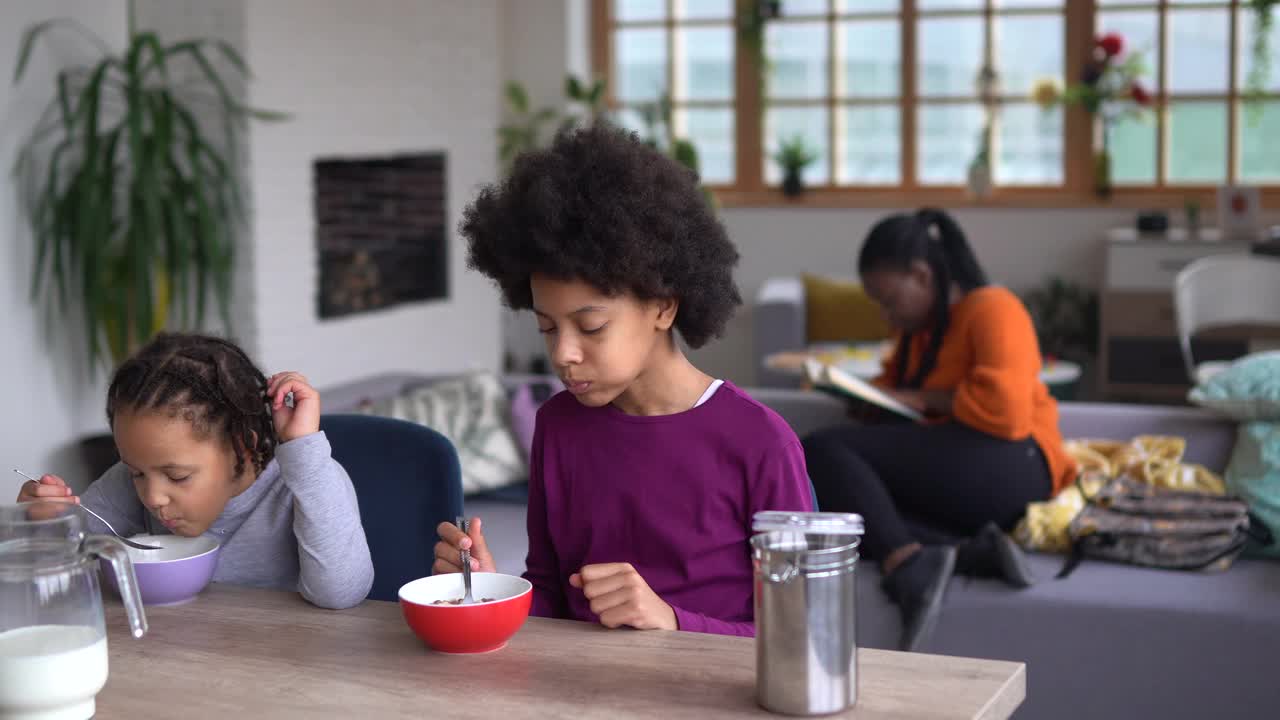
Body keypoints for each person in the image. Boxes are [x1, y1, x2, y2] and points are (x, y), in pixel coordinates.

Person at [433, 124, 813, 637]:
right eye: (547, 327)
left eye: (591, 327)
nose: (563, 354)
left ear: (662, 305)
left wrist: (673, 623)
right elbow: (549, 590)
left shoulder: (760, 442)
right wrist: (489, 587)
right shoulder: (558, 425)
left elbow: (799, 631)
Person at [802, 209, 1076, 651]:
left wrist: (923, 399)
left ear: (921, 274)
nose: (887, 315)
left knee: (820, 450)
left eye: (889, 300)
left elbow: (1005, 414)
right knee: (845, 508)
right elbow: (896, 392)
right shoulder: (921, 333)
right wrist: (863, 398)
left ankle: (905, 563)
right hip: (967, 474)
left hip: (1019, 463)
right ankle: (966, 553)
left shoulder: (993, 307)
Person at [16, 332, 373, 609]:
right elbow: (61, 572)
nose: (152, 497)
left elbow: (341, 593)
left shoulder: (302, 484)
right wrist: (43, 525)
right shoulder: (129, 481)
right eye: (138, 472)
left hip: (282, 667)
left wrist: (305, 455)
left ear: (243, 447)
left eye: (177, 477)